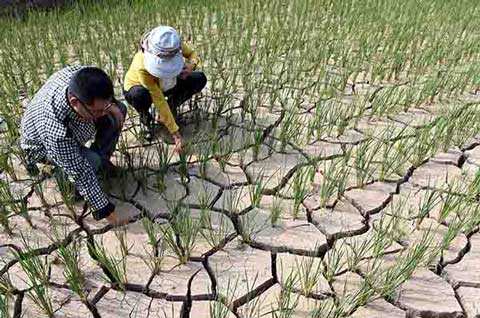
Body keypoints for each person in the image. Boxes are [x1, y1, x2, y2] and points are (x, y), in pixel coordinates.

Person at [20, 66, 126, 224]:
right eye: (97, 111)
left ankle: (102, 162)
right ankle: (68, 187)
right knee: (90, 163)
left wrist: (113, 107)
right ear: (75, 102)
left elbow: (102, 99)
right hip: (41, 147)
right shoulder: (56, 129)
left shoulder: (80, 76)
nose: (103, 113)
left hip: (73, 125)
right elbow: (80, 172)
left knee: (119, 111)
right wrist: (109, 214)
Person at [123, 25, 207, 152]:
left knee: (199, 78)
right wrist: (175, 133)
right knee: (139, 96)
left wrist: (191, 65)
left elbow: (192, 54)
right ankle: (146, 118)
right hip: (140, 88)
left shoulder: (172, 45)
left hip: (166, 82)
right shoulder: (142, 65)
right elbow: (158, 99)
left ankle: (170, 108)